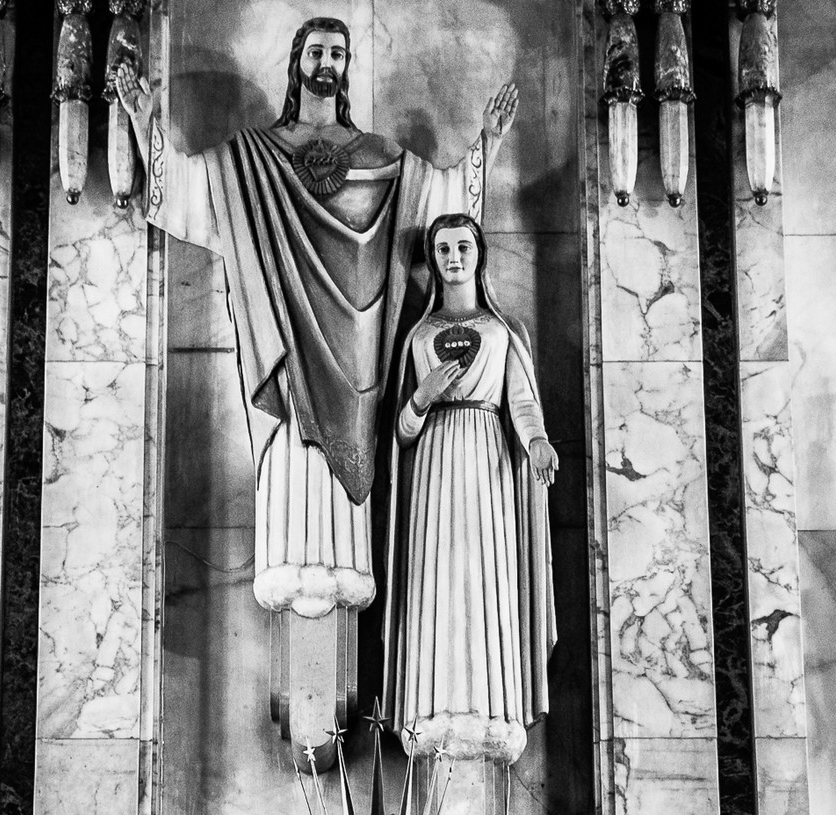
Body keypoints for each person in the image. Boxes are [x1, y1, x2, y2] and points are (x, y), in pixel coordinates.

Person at [116, 21, 517, 620]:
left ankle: (345, 565)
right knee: (290, 461)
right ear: (297, 62)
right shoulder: (254, 157)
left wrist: (487, 143)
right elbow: (189, 192)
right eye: (316, 51)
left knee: (344, 469)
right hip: (283, 347)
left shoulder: (380, 159)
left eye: (337, 53)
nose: (326, 62)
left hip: (355, 357)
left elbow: (445, 211)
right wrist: (145, 123)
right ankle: (287, 560)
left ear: (347, 66)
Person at [382, 214, 557, 769]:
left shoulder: (501, 332)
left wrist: (538, 443)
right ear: (432, 260)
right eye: (442, 249)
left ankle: (490, 704)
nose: (453, 257)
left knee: (487, 576)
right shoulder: (419, 337)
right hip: (434, 468)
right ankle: (430, 704)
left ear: (479, 255)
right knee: (435, 577)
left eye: (463, 246)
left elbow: (523, 403)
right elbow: (401, 432)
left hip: (488, 465)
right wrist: (422, 398)